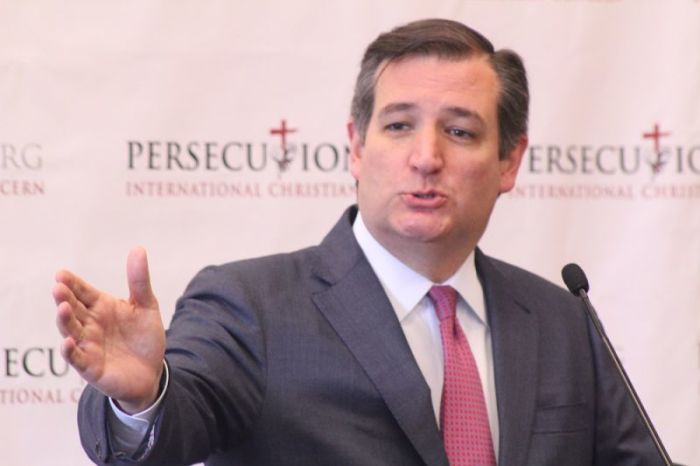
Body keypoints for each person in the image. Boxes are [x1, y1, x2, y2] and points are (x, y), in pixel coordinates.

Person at [53, 18, 664, 466]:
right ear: (356, 146)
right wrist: (142, 398)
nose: (426, 158)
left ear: (508, 162)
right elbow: (175, 428)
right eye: (398, 126)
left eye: (459, 130)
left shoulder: (559, 318)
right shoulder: (251, 304)